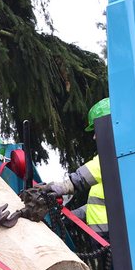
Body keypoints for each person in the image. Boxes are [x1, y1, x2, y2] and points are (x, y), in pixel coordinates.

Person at [42, 98, 110, 237]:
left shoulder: (114, 158)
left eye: (97, 130)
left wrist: (65, 186)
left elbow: (100, 166)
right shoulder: (106, 173)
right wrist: (73, 216)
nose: (95, 137)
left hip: (114, 238)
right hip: (104, 240)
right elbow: (101, 206)